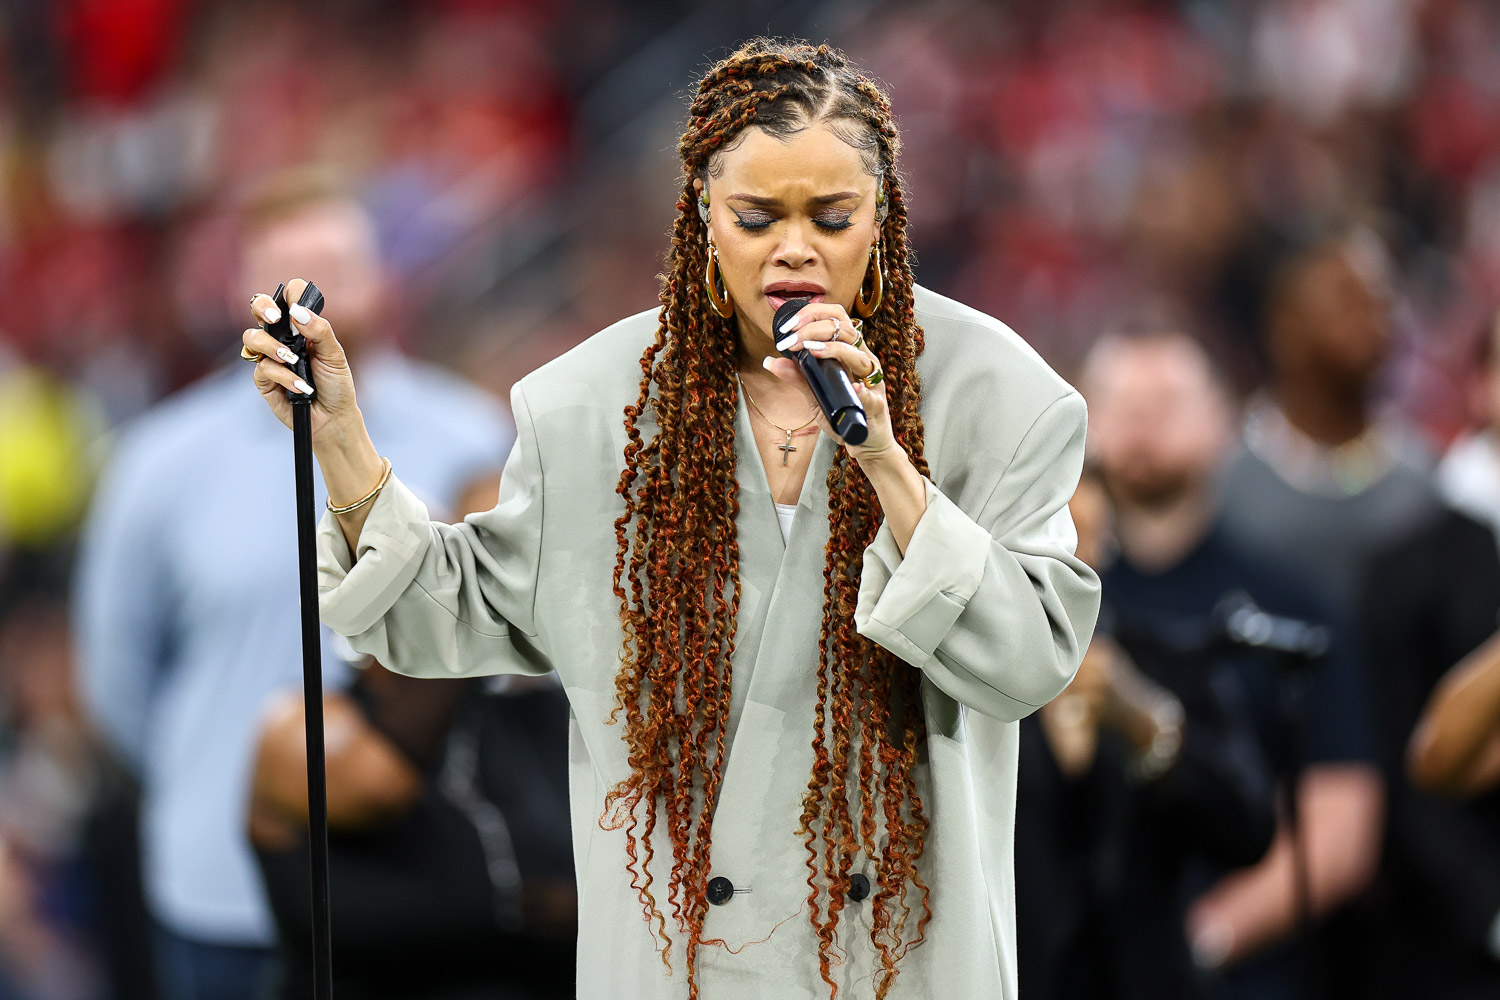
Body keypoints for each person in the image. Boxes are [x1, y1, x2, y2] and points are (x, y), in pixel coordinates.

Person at [241, 39, 1100, 1000]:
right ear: (701, 215)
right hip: (676, 967)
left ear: (884, 216)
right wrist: (343, 439)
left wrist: (885, 461)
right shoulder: (587, 407)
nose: (795, 248)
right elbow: (432, 616)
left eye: (832, 216)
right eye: (756, 216)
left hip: (908, 963)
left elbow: (1028, 663)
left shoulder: (1003, 395)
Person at [74, 169, 513, 1000]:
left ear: (382, 277)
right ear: (249, 295)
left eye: (337, 268)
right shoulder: (158, 462)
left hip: (414, 887)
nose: (318, 299)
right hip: (220, 892)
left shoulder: (474, 439)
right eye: (293, 275)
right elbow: (117, 683)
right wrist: (206, 778)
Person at [1015, 464, 1276, 1000]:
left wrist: (1150, 724)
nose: (1068, 564)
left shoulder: (1169, 662)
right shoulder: (965, 680)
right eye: (1053, 538)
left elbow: (1248, 828)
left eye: (1085, 539)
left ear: (1109, 543)